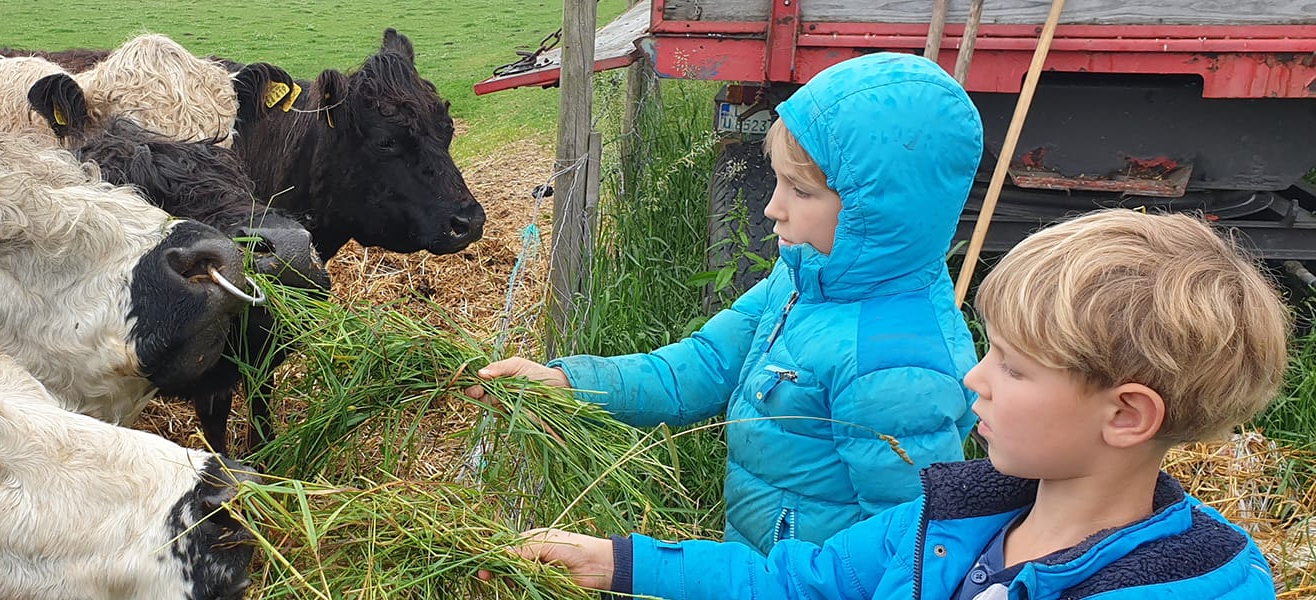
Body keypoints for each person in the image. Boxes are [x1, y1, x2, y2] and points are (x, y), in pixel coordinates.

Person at [488, 208, 1286, 598]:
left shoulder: (1194, 587)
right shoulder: (948, 521)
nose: (973, 377)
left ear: (1125, 415)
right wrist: (618, 562)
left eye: (1011, 368)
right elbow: (798, 584)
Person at [467, 51, 983, 552]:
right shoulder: (804, 279)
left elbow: (903, 559)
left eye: (800, 191)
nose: (771, 207)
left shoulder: (894, 369)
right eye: (779, 181)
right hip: (753, 566)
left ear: (880, 210)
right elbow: (707, 363)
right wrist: (567, 384)